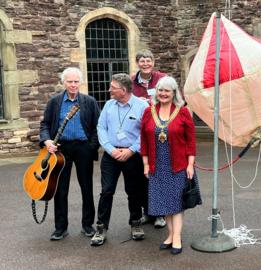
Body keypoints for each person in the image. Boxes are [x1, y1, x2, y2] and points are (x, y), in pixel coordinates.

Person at [40, 67, 100, 240]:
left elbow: (98, 127)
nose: (73, 85)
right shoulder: (54, 102)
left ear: (80, 82)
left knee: (86, 187)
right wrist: (47, 141)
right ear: (63, 82)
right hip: (61, 149)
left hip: (83, 148)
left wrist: (91, 147)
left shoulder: (89, 101)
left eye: (76, 81)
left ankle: (88, 225)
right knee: (60, 188)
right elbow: (44, 125)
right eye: (69, 81)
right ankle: (60, 227)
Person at [140, 76, 198, 255]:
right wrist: (146, 164)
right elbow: (144, 140)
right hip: (157, 166)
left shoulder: (182, 112)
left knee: (177, 203)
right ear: (156, 92)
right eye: (160, 90)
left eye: (167, 90)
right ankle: (170, 235)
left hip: (178, 165)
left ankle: (177, 237)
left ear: (174, 93)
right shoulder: (149, 112)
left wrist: (190, 164)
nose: (163, 94)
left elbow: (191, 141)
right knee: (164, 202)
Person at [90, 73, 149, 246]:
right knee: (106, 190)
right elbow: (101, 127)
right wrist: (110, 149)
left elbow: (145, 132)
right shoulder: (109, 105)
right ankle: (101, 228)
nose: (109, 90)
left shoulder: (142, 106)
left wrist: (131, 150)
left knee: (134, 191)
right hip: (111, 155)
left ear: (123, 90)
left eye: (113, 88)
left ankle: (136, 223)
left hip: (132, 156)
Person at [131, 49, 167, 228]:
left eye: (148, 60)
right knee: (142, 175)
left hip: (159, 130)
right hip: (139, 131)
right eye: (142, 61)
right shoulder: (131, 81)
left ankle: (160, 213)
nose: (146, 64)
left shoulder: (162, 78)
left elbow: (173, 96)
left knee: (157, 174)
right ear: (137, 63)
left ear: (153, 62)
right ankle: (147, 211)